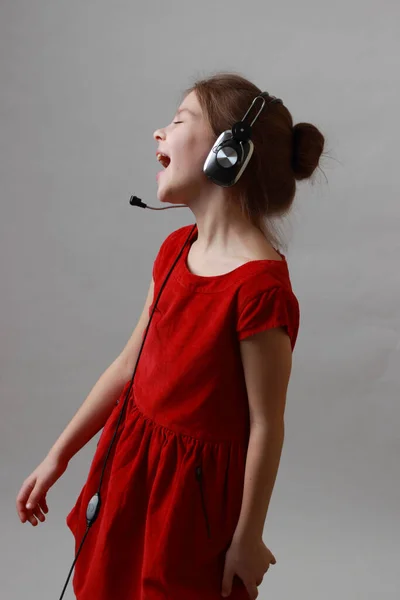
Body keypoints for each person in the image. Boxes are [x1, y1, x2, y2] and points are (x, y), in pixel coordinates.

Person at [16, 72, 325, 599]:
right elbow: (126, 368)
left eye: (179, 121)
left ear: (228, 153)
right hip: (130, 466)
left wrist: (247, 537)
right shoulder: (175, 250)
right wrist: (59, 455)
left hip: (190, 501)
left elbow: (265, 425)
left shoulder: (258, 290)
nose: (159, 134)